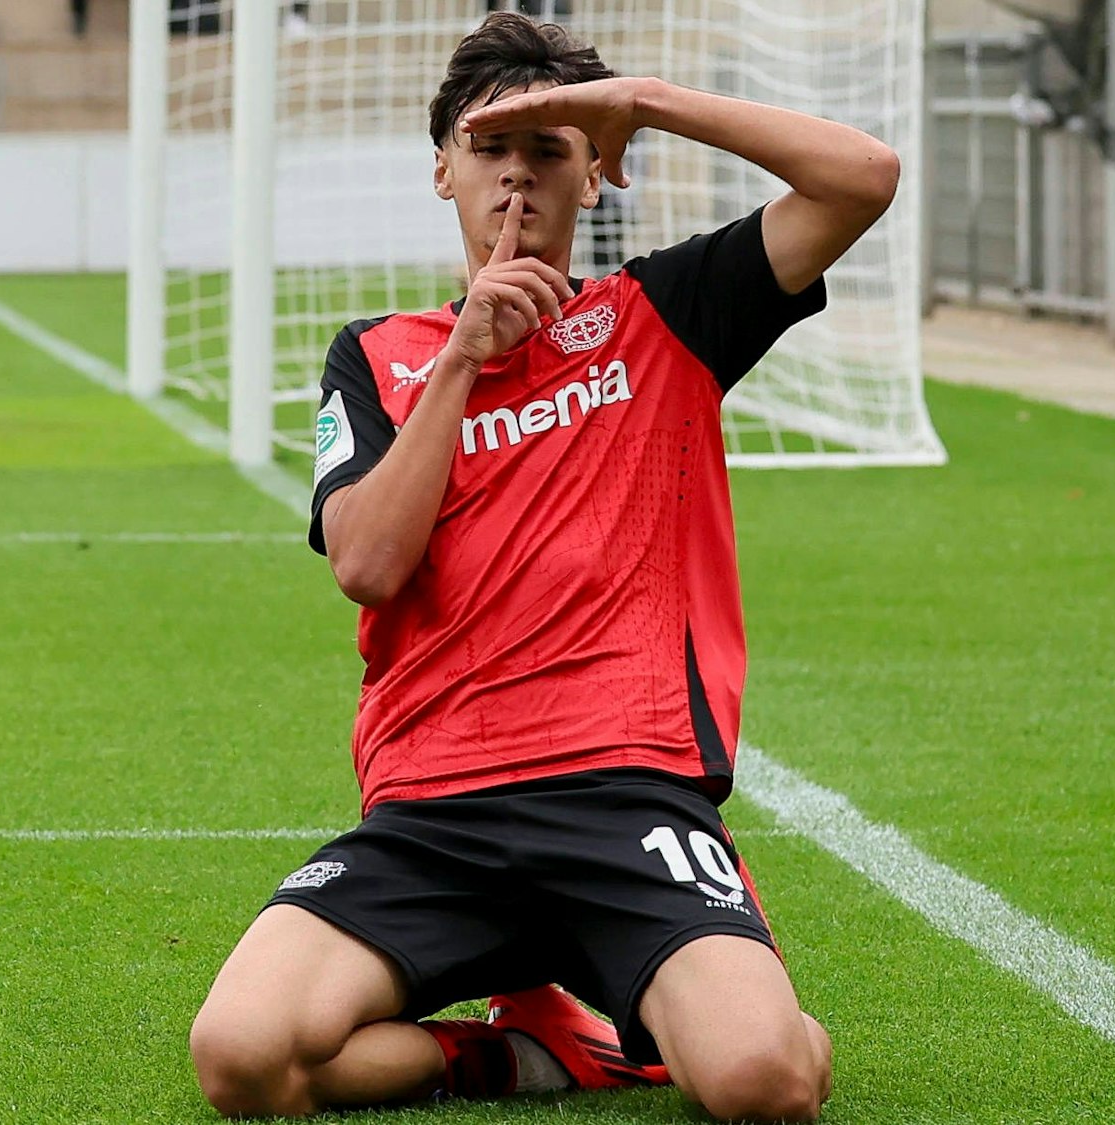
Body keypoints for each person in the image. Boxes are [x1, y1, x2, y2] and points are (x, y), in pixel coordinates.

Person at [188, 11, 898, 1122]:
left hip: (624, 793)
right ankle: (517, 1054)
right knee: (241, 1060)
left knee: (764, 1085)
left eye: (551, 151)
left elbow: (860, 177)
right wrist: (466, 356)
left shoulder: (663, 315)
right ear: (442, 174)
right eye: (487, 152)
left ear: (593, 179)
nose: (515, 181)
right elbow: (367, 565)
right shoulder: (375, 357)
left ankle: (702, 1000)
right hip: (433, 810)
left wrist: (644, 102)